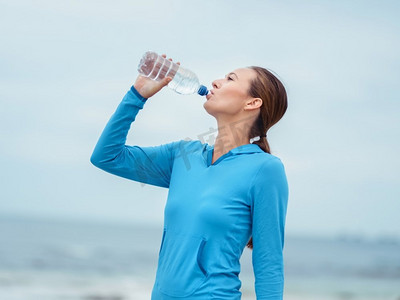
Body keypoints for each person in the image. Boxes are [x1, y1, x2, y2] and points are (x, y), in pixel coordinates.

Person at [90, 54, 289, 300]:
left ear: (252, 103)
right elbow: (107, 157)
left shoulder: (265, 170)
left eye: (230, 79)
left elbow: (269, 264)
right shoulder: (184, 155)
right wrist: (137, 95)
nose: (216, 82)